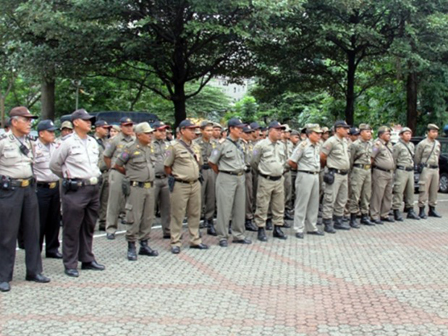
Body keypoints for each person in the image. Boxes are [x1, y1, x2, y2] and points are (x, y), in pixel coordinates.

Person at [0, 107, 50, 292]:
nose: (30, 123)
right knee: (7, 234)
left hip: (28, 189)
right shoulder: (3, 141)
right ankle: (3, 276)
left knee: (32, 232)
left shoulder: (30, 142)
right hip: (9, 191)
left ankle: (34, 271)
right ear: (14, 122)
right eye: (26, 119)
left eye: (31, 120)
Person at [50, 109, 105, 277]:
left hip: (93, 188)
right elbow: (54, 165)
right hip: (75, 190)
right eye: (86, 120)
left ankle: (87, 258)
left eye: (90, 120)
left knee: (89, 226)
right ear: (76, 122)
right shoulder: (67, 143)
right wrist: (69, 178)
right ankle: (70, 263)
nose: (90, 122)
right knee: (72, 228)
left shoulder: (92, 142)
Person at [114, 122, 159, 260]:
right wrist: (131, 175)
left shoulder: (150, 148)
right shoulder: (130, 148)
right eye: (147, 133)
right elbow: (118, 165)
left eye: (151, 133)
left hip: (150, 187)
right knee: (133, 216)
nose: (150, 135)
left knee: (148, 217)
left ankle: (144, 244)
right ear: (139, 135)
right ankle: (131, 246)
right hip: (136, 188)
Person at [164, 120, 209, 254]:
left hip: (195, 183)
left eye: (195, 129)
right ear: (182, 131)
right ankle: (175, 242)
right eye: (190, 129)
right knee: (177, 214)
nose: (193, 132)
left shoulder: (195, 146)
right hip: (180, 184)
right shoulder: (173, 146)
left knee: (195, 213)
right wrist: (177, 176)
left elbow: (199, 163)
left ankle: (195, 240)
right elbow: (167, 166)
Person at [209, 118, 252, 247]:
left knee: (240, 207)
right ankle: (222, 236)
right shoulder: (221, 144)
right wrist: (223, 173)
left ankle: (238, 234)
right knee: (224, 208)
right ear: (231, 129)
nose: (241, 130)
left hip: (240, 176)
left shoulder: (241, 143)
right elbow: (212, 162)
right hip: (226, 177)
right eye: (238, 128)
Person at [251, 121, 288, 242]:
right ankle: (261, 228)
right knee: (262, 204)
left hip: (279, 179)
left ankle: (277, 228)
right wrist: (263, 172)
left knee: (279, 205)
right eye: (277, 130)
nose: (280, 133)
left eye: (281, 130)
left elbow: (284, 160)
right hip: (266, 179)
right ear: (270, 130)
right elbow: (254, 162)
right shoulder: (260, 145)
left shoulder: (281, 145)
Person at [288, 124, 324, 239]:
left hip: (315, 175)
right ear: (309, 134)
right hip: (304, 175)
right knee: (301, 203)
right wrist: (302, 168)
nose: (319, 135)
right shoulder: (302, 146)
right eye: (317, 133)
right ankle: (298, 228)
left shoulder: (318, 145)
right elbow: (292, 161)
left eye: (320, 133)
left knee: (314, 203)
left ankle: (312, 227)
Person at [103, 117, 135, 239]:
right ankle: (111, 228)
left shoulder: (135, 140)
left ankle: (130, 227)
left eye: (130, 125)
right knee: (114, 201)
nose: (129, 128)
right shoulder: (115, 140)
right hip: (118, 172)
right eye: (126, 125)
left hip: (131, 173)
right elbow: (106, 156)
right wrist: (112, 167)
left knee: (131, 201)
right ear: (121, 127)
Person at [34, 120, 62, 258]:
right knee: (39, 221)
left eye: (53, 131)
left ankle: (52, 249)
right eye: (50, 131)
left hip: (55, 187)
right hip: (40, 188)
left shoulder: (56, 146)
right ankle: (35, 249)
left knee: (54, 220)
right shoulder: (33, 147)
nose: (53, 134)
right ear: (41, 133)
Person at [320, 120, 351, 233]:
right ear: (337, 129)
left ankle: (338, 221)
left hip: (344, 174)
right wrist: (328, 168)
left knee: (342, 199)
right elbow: (322, 156)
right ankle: (327, 222)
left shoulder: (344, 141)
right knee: (330, 199)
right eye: (344, 128)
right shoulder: (331, 141)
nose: (347, 130)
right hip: (334, 173)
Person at [194, 120, 218, 235]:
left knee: (211, 197)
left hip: (212, 171)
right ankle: (196, 224)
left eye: (211, 130)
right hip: (200, 171)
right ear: (201, 130)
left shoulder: (215, 143)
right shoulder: (195, 143)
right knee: (199, 198)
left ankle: (209, 221)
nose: (210, 133)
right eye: (207, 130)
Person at [392, 127, 420, 221]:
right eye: (406, 134)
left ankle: (410, 209)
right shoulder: (398, 146)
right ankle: (396, 209)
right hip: (401, 170)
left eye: (409, 134)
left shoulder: (411, 145)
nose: (408, 136)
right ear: (401, 135)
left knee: (410, 191)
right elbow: (394, 159)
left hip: (410, 170)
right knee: (399, 190)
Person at [348, 124, 374, 227]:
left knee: (367, 194)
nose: (369, 134)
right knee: (355, 194)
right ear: (361, 133)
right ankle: (353, 217)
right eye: (367, 132)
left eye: (370, 132)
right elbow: (351, 160)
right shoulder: (355, 145)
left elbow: (373, 155)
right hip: (358, 170)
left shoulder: (371, 144)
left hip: (368, 170)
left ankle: (365, 215)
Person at [415, 124, 442, 218]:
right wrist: (420, 166)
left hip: (435, 168)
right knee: (423, 189)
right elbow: (417, 157)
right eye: (433, 132)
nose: (435, 134)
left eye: (436, 132)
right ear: (428, 132)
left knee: (434, 189)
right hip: (426, 168)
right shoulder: (422, 143)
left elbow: (438, 156)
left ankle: (432, 209)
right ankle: (421, 209)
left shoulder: (437, 143)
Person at [151, 120, 172, 239]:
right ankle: (145, 232)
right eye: (161, 130)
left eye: (165, 130)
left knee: (167, 207)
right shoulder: (148, 144)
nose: (164, 132)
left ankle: (167, 230)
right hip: (153, 179)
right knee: (150, 207)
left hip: (166, 178)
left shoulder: (168, 144)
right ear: (154, 131)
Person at [370, 126, 395, 224]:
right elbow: (372, 158)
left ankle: (385, 214)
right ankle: (374, 215)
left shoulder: (389, 144)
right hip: (380, 172)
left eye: (389, 134)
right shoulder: (377, 144)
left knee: (388, 195)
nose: (389, 135)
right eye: (387, 134)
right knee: (377, 194)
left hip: (389, 172)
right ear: (381, 135)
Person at [94, 120, 112, 231]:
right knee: (95, 199)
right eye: (104, 128)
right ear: (97, 128)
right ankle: (91, 222)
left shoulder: (108, 141)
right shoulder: (92, 141)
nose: (107, 130)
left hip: (107, 173)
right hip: (96, 173)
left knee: (105, 199)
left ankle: (103, 221)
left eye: (107, 128)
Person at [240, 125, 258, 231]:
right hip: (239, 172)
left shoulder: (252, 145)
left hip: (249, 172)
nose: (249, 135)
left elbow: (254, 157)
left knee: (249, 196)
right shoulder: (237, 144)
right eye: (246, 133)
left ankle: (248, 219)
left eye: (250, 133)